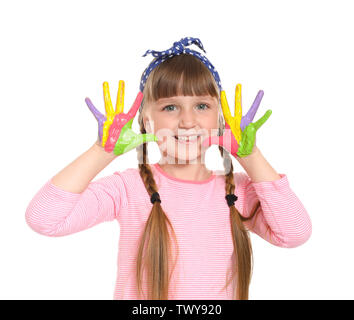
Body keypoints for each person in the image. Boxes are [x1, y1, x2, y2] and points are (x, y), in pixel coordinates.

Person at [25, 37, 312, 300]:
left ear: (220, 118)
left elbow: (294, 233)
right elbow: (44, 219)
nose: (188, 121)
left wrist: (251, 156)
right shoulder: (128, 188)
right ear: (146, 121)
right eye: (170, 107)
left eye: (201, 106)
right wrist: (102, 151)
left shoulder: (238, 191)